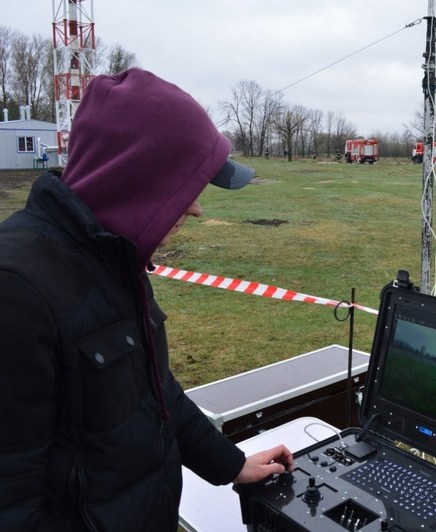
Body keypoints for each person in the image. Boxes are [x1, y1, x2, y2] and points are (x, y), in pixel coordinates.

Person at [0, 68, 293, 531]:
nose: (197, 209)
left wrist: (232, 464)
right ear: (138, 178)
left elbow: (155, 395)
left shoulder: (117, 256)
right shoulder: (16, 290)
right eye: (187, 187)